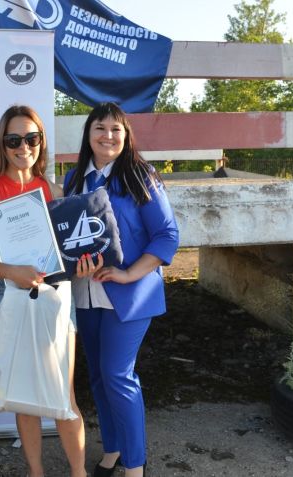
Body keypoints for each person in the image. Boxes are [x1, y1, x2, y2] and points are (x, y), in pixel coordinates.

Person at [0, 105, 86, 477]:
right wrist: (9, 272)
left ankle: (79, 473)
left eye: (32, 138)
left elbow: (70, 253)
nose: (24, 147)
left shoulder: (55, 191)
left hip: (56, 298)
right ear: (2, 144)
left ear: (41, 141)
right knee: (24, 396)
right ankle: (36, 472)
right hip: (10, 296)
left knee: (63, 394)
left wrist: (84, 264)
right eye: (14, 140)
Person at [65, 102, 179, 477]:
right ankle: (112, 450)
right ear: (88, 134)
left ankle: (135, 465)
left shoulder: (141, 176)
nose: (108, 135)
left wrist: (130, 274)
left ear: (126, 135)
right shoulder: (75, 179)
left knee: (117, 375)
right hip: (87, 293)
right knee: (98, 377)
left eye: (116, 128)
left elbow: (167, 235)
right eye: (100, 127)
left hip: (130, 295)